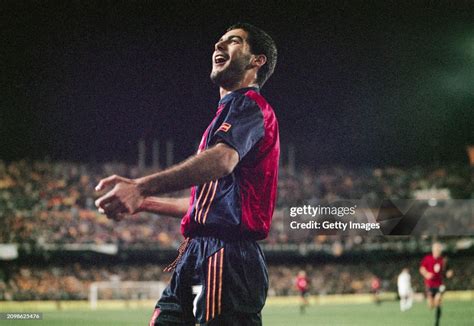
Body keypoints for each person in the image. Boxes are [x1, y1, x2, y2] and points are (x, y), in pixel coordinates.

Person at [95, 22, 278, 326]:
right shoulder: (224, 118)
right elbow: (204, 205)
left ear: (257, 60)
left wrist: (140, 186)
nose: (218, 46)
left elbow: (222, 161)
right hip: (196, 250)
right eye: (218, 42)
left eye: (233, 42)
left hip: (226, 252)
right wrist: (145, 203)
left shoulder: (249, 105)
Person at [419, 242, 454, 326]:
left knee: (438, 301)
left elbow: (449, 270)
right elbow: (421, 269)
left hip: (440, 284)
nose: (438, 251)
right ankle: (433, 303)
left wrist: (449, 273)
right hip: (429, 285)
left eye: (439, 249)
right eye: (436, 249)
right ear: (433, 250)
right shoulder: (427, 258)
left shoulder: (443, 260)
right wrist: (426, 274)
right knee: (431, 306)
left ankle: (437, 322)